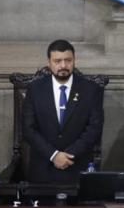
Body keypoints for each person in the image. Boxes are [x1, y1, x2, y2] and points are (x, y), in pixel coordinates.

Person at [22, 39, 104, 183]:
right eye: (57, 61)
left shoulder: (90, 90)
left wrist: (68, 155)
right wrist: (54, 155)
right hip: (43, 169)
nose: (63, 66)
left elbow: (94, 128)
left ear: (74, 60)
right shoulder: (35, 89)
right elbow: (28, 129)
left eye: (68, 60)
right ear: (49, 62)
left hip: (78, 167)